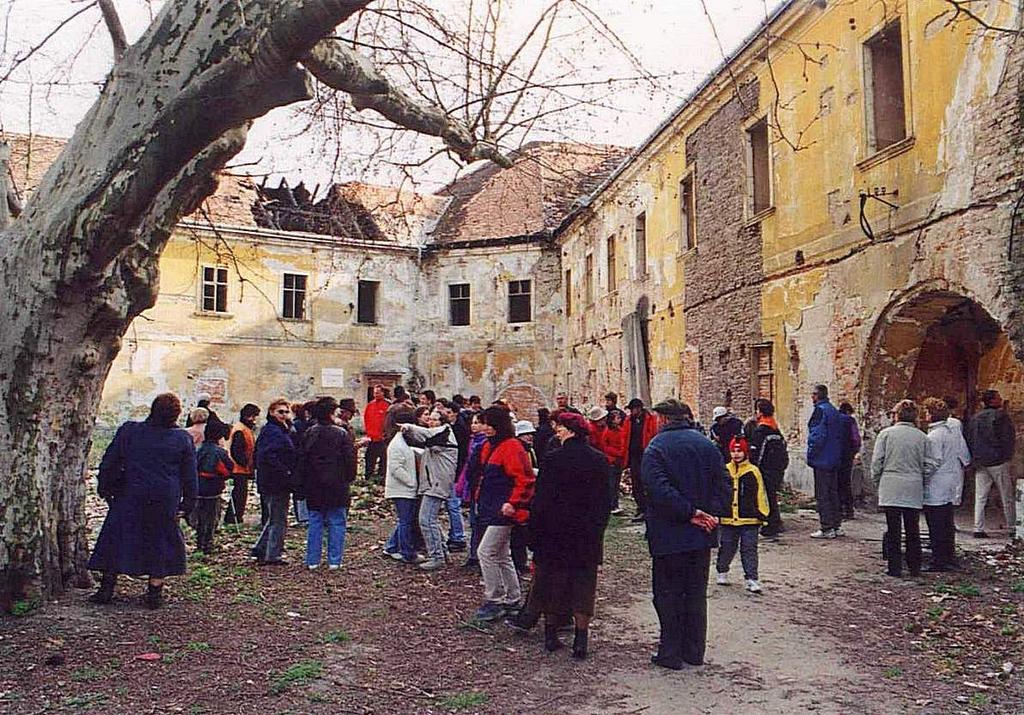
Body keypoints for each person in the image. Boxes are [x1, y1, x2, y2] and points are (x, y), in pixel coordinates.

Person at [642, 398, 730, 670]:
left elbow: (658, 489)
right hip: (700, 535)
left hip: (670, 535)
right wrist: (710, 514)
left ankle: (670, 652)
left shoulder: (656, 448)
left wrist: (690, 513)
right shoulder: (706, 445)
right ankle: (693, 650)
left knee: (667, 594)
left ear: (665, 419)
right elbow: (725, 484)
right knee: (694, 593)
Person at [88, 393, 198, 609]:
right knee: (159, 542)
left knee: (117, 538)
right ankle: (154, 592)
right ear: (176, 414)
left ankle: (107, 588)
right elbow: (189, 475)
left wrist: (105, 488)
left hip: (129, 492)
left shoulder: (130, 431)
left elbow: (109, 461)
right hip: (164, 497)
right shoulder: (182, 439)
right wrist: (188, 504)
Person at [527, 411, 610, 659]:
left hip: (555, 533)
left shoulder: (553, 460)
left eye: (561, 428)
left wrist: (535, 532)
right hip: (586, 534)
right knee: (583, 586)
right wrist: (597, 529)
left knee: (553, 583)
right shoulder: (599, 460)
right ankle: (581, 639)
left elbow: (541, 501)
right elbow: (605, 501)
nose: (557, 432)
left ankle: (551, 635)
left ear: (571, 431)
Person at [472, 406, 536, 622]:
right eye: (484, 423)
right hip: (491, 506)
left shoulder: (511, 447)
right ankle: (512, 597)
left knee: (486, 552)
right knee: (500, 554)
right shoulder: (491, 446)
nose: (486, 428)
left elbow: (525, 480)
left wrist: (513, 503)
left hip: (503, 509)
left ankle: (495, 599)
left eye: (490, 424)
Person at [872, 400, 938, 578]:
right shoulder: (922, 437)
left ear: (896, 415)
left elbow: (877, 461)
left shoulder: (886, 435)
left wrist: (878, 479)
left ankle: (894, 568)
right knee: (912, 528)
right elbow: (931, 463)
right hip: (913, 484)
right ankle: (914, 566)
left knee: (893, 529)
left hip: (891, 483)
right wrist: (921, 475)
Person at [296, 396, 357, 571]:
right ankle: (334, 561)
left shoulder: (310, 432)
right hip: (337, 484)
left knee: (315, 521)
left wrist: (302, 482)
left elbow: (302, 459)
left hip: (314, 484)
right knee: (337, 521)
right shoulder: (341, 433)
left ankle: (313, 560)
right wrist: (348, 478)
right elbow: (350, 460)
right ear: (332, 412)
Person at [402, 411, 459, 570]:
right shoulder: (438, 436)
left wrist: (408, 427)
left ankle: (437, 557)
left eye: (435, 419)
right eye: (430, 419)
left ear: (442, 421)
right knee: (430, 519)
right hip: (433, 483)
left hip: (437, 483)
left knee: (426, 520)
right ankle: (442, 553)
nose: (431, 422)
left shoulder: (444, 432)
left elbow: (425, 434)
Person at [923, 397, 972, 571]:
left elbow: (932, 462)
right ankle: (948, 556)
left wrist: (922, 478)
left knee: (936, 524)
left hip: (936, 484)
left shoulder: (935, 436)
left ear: (930, 414)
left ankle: (939, 560)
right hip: (949, 480)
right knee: (946, 522)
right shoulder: (951, 432)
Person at [715, 437, 768, 593]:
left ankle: (751, 578)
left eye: (739, 451)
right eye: (733, 451)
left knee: (749, 549)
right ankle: (722, 570)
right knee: (727, 546)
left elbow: (761, 493)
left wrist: (763, 513)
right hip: (728, 518)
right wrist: (717, 511)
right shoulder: (725, 471)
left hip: (750, 518)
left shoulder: (753, 471)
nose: (736, 454)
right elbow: (720, 493)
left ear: (745, 452)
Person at [252, 398, 297, 565]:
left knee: (274, 517)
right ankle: (273, 554)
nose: (284, 415)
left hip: (274, 479)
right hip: (275, 481)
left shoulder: (279, 429)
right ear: (272, 412)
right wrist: (285, 471)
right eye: (280, 412)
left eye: (286, 412)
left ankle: (260, 548)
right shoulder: (272, 431)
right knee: (279, 519)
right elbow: (267, 456)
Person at [966, 389, 1016, 538]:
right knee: (1006, 495)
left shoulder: (975, 418)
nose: (1000, 399)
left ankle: (978, 528)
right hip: (997, 460)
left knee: (980, 496)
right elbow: (1008, 438)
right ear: (993, 401)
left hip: (981, 461)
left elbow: (970, 439)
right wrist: (1007, 456)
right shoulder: (1001, 416)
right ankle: (1012, 526)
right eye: (998, 397)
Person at [383, 405, 421, 563]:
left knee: (405, 519)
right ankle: (407, 552)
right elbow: (396, 468)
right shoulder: (397, 444)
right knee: (405, 521)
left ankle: (391, 546)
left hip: (405, 488)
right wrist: (411, 482)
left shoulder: (402, 441)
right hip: (402, 489)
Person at [806, 385, 844, 539]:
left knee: (823, 494)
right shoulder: (833, 410)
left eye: (813, 394)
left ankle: (826, 527)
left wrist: (811, 454)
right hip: (834, 457)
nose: (811, 397)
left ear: (817, 395)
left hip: (822, 458)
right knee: (833, 492)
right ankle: (836, 525)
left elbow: (817, 435)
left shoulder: (820, 411)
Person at [192, 420, 234, 554]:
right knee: (211, 517)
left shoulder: (198, 450)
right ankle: (208, 543)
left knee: (199, 516)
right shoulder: (220, 452)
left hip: (198, 487)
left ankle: (199, 542)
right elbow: (229, 468)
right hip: (214, 488)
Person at [748, 399, 788, 537]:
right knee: (772, 495)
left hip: (764, 469)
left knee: (765, 497)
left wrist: (753, 468)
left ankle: (770, 525)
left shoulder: (761, 430)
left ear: (760, 411)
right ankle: (776, 522)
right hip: (777, 468)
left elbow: (755, 451)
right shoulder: (775, 428)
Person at [454, 412, 488, 568]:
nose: (473, 425)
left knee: (479, 522)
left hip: (479, 485)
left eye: (477, 422)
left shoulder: (483, 444)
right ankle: (473, 555)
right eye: (472, 422)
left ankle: (478, 555)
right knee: (473, 522)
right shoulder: (473, 441)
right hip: (471, 482)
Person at [623, 398, 659, 523]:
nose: (631, 412)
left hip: (646, 454)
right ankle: (641, 507)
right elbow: (625, 437)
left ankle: (649, 508)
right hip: (633, 455)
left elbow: (653, 434)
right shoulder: (628, 421)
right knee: (636, 482)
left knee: (646, 481)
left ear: (638, 409)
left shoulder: (650, 419)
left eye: (633, 409)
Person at [224, 403, 259, 527]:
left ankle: (235, 516)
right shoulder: (240, 430)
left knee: (240, 493)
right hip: (239, 467)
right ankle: (234, 517)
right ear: (248, 416)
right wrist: (245, 464)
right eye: (254, 417)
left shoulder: (243, 428)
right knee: (239, 493)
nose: (255, 420)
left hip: (241, 467)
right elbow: (237, 450)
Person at [836, 402, 862, 520]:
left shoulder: (834, 419)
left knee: (835, 483)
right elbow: (855, 438)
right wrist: (855, 451)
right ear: (848, 411)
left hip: (834, 455)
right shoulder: (850, 420)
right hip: (847, 455)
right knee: (846, 483)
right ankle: (848, 509)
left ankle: (838, 509)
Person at [600, 409, 628, 515]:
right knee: (612, 484)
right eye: (617, 418)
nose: (619, 420)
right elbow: (605, 446)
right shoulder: (608, 431)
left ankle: (615, 504)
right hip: (612, 459)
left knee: (616, 484)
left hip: (619, 461)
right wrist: (617, 453)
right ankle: (611, 505)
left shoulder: (621, 430)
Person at [364, 384, 391, 482]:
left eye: (377, 393)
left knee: (384, 460)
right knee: (369, 459)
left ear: (383, 393)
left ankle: (382, 479)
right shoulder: (370, 405)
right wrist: (368, 433)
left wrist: (385, 435)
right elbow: (366, 419)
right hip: (372, 438)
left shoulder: (388, 405)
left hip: (382, 439)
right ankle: (368, 478)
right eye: (374, 393)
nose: (375, 394)